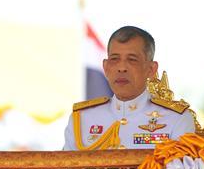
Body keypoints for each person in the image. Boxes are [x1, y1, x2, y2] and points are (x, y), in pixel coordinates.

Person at [63, 26, 195, 150]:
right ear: (106, 67)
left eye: (132, 60)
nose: (122, 68)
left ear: (151, 69)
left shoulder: (176, 119)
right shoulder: (81, 119)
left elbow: (182, 166)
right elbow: (65, 166)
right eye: (115, 59)